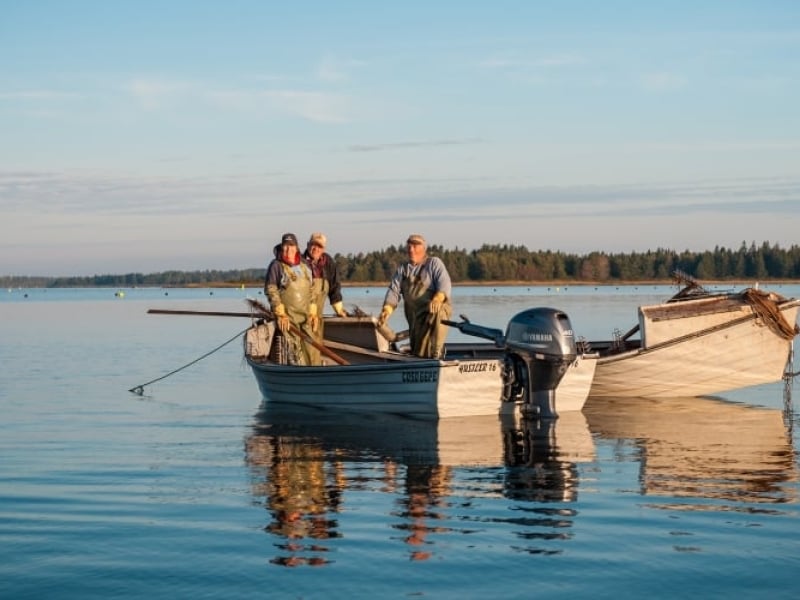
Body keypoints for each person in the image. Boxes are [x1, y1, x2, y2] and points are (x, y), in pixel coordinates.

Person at [377, 234, 452, 358]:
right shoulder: (403, 270)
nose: (411, 249)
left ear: (424, 248)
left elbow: (445, 284)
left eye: (415, 246)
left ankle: (437, 353)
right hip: (415, 320)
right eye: (409, 246)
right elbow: (393, 291)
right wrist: (387, 310)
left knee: (439, 311)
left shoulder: (434, 263)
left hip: (432, 317)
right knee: (418, 352)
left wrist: (438, 298)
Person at [264, 232, 320, 366]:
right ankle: (299, 376)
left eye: (291, 246)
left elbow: (311, 290)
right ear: (282, 247)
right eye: (285, 246)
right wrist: (280, 313)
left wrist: (313, 312)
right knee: (295, 355)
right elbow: (271, 290)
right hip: (288, 320)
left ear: (297, 248)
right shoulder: (276, 266)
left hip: (306, 318)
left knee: (311, 350)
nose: (288, 249)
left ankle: (314, 376)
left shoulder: (305, 265)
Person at [302, 232, 348, 365]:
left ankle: (315, 370)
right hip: (302, 316)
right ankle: (304, 371)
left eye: (319, 246)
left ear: (324, 249)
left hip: (318, 317)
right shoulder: (300, 262)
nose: (315, 249)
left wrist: (339, 308)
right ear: (308, 245)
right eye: (313, 245)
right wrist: (310, 309)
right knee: (305, 347)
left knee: (316, 347)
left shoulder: (328, 262)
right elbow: (299, 291)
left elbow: (334, 286)